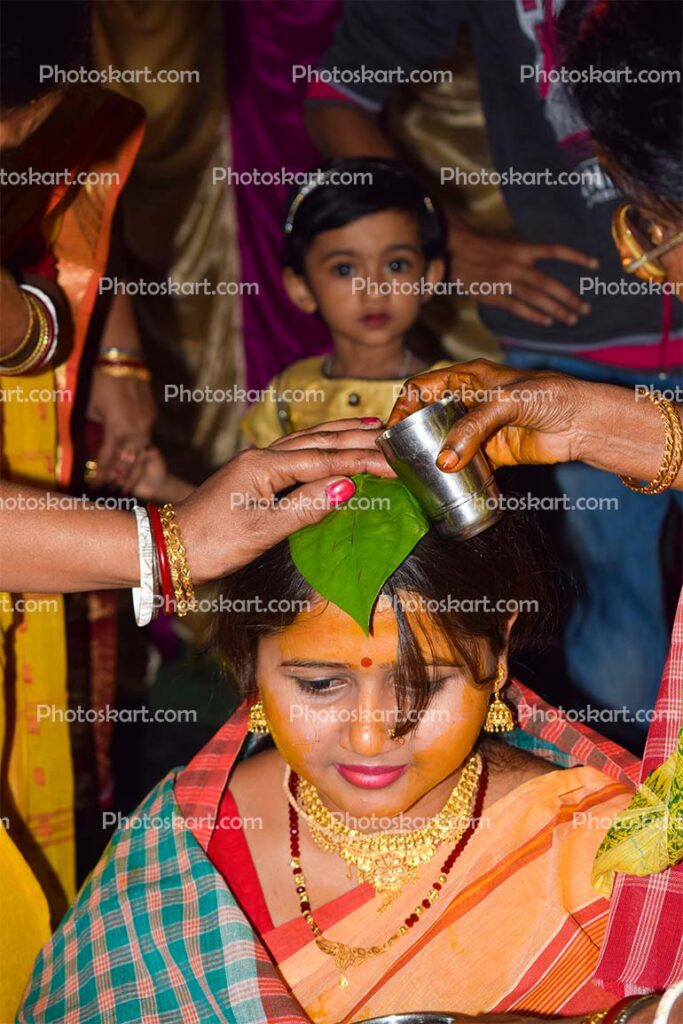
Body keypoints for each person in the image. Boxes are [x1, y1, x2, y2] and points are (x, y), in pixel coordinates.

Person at [18, 462, 657, 1021]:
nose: (372, 735)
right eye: (322, 685)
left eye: (421, 688)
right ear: (250, 664)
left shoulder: (596, 845)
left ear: (501, 650)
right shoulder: (186, 849)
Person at [305, 0, 683, 746]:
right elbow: (335, 92)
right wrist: (590, 420)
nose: (647, 270)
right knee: (616, 615)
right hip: (575, 343)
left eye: (655, 231)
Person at [241, 157, 452, 447]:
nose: (374, 290)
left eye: (396, 265)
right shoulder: (289, 391)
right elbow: (248, 489)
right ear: (301, 287)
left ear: (429, 277)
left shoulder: (456, 390)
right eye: (345, 269)